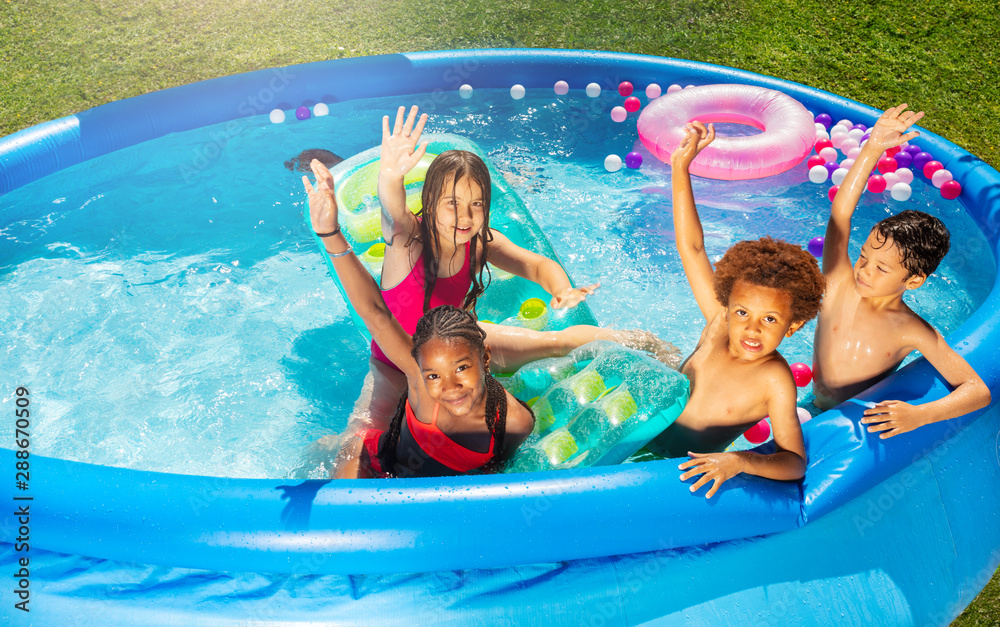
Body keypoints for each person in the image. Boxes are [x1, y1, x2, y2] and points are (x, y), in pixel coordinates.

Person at [330, 106, 678, 477]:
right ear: (429, 203)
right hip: (394, 364)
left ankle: (644, 342)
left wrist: (562, 290)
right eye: (452, 204)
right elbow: (393, 213)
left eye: (476, 205)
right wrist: (389, 175)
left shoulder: (479, 243)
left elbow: (536, 264)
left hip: (460, 349)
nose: (465, 217)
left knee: (555, 343)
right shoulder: (410, 242)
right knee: (358, 439)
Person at [303, 160, 535, 477]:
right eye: (432, 376)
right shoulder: (420, 385)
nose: (450, 388)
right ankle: (328, 444)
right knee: (345, 489)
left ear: (486, 356)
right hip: (383, 462)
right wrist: (329, 233)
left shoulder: (515, 423)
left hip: (423, 483)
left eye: (462, 368)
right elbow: (375, 312)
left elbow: (500, 473)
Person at [646, 121, 825, 499]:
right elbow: (691, 248)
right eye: (742, 313)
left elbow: (793, 461)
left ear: (794, 325)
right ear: (728, 305)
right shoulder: (719, 323)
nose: (751, 329)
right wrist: (681, 168)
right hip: (635, 432)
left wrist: (740, 461)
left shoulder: (774, 379)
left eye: (770, 320)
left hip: (671, 475)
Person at [812, 103, 990, 437]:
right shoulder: (839, 283)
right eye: (863, 256)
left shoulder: (910, 330)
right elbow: (841, 212)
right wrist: (873, 147)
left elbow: (976, 390)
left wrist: (920, 415)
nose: (863, 269)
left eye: (881, 268)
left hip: (845, 427)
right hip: (811, 406)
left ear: (914, 281)